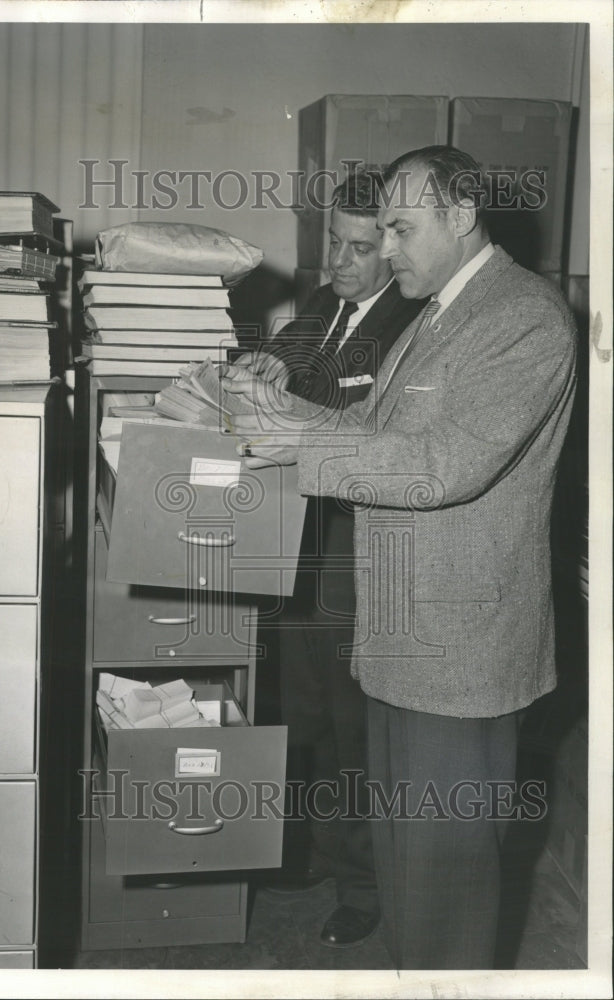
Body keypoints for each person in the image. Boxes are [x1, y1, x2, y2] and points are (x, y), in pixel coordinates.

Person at [223, 145, 577, 969]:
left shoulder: (521, 316)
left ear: (460, 216)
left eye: (401, 227)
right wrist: (287, 421)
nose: (386, 248)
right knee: (406, 872)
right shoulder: (443, 310)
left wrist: (296, 451)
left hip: (457, 655)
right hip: (399, 643)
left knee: (444, 891)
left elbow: (440, 465)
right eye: (380, 228)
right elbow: (379, 434)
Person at [234, 172, 423, 950]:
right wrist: (262, 368)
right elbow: (286, 361)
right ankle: (311, 853)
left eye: (360, 247)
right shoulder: (323, 304)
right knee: (300, 707)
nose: (339, 263)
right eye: (332, 244)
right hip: (298, 534)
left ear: (395, 244)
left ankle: (363, 883)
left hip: (361, 542)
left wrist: (296, 407)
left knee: (353, 724)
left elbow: (380, 431)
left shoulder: (415, 320)